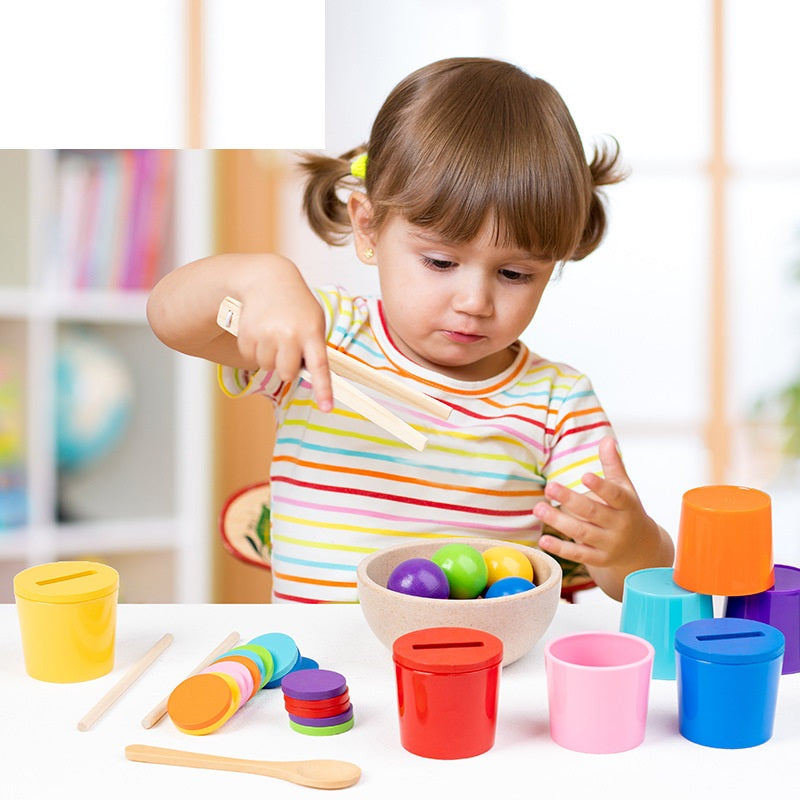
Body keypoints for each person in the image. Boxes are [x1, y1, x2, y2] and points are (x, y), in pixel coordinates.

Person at [148, 57, 674, 604]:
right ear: (368, 225)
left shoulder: (556, 403)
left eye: (515, 274)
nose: (474, 302)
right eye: (442, 263)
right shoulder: (321, 336)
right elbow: (168, 319)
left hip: (481, 679)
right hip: (321, 678)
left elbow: (637, 586)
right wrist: (259, 278)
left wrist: (632, 546)